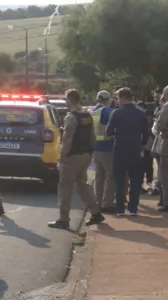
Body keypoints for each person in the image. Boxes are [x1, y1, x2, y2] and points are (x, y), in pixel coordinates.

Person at [48, 89, 105, 229]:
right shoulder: (87, 115)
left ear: (70, 100)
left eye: (66, 99)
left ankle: (63, 219)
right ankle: (96, 212)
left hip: (72, 157)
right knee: (82, 185)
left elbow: (67, 140)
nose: (65, 102)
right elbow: (92, 136)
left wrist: (62, 158)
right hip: (85, 155)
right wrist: (90, 152)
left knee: (65, 187)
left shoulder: (71, 117)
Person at [105, 87, 149, 216]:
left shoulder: (116, 113)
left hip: (120, 150)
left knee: (119, 181)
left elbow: (108, 131)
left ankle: (120, 209)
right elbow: (146, 134)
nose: (117, 101)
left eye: (118, 98)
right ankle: (133, 208)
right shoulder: (141, 113)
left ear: (123, 98)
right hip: (135, 150)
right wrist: (141, 144)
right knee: (135, 181)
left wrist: (117, 134)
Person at [89, 90, 115, 212]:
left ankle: (97, 202)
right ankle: (107, 203)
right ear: (107, 100)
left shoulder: (91, 111)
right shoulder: (106, 111)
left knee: (99, 176)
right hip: (107, 147)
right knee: (111, 175)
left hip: (95, 148)